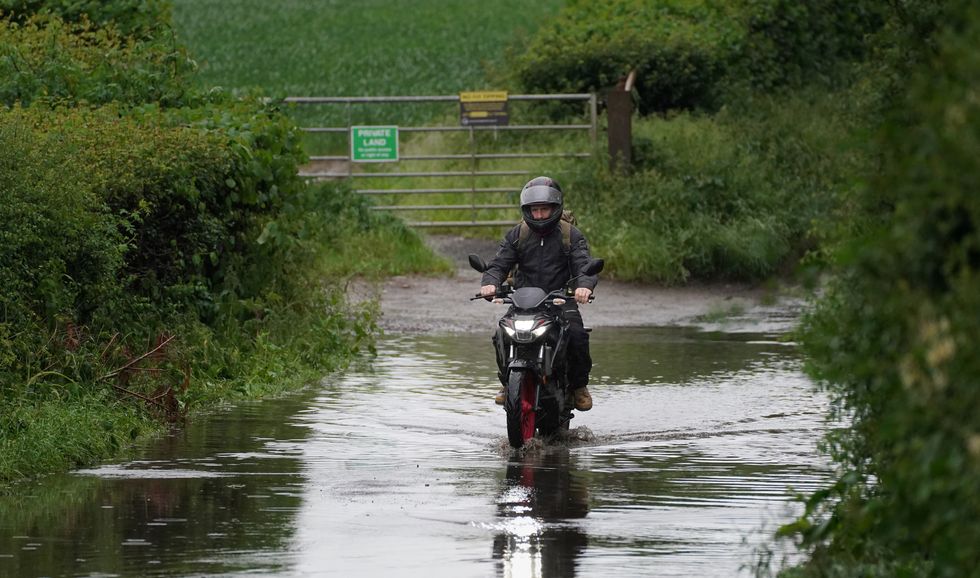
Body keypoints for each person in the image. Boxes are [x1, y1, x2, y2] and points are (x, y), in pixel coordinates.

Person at [479, 176, 597, 411]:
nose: (540, 215)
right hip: (523, 301)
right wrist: (490, 283)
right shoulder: (517, 234)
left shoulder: (571, 235)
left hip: (561, 299)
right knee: (501, 333)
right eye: (535, 210)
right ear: (527, 210)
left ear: (555, 208)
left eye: (544, 209)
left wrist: (584, 286)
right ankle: (507, 383)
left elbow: (584, 265)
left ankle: (578, 386)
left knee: (577, 335)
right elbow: (498, 264)